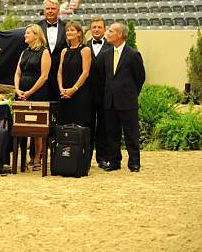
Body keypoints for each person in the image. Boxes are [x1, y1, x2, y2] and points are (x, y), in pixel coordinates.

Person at [101, 22, 146, 172]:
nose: (107, 32)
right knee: (112, 133)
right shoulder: (107, 54)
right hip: (110, 101)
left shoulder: (133, 54)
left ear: (120, 34)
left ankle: (134, 163)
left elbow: (140, 77)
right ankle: (114, 162)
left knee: (131, 133)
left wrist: (131, 94)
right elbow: (105, 77)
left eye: (111, 31)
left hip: (127, 101)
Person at [13, 24, 51, 171]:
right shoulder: (24, 52)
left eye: (28, 33)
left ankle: (37, 158)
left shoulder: (44, 52)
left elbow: (44, 76)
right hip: (21, 93)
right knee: (22, 126)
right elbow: (17, 73)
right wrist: (17, 89)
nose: (25, 35)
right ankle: (22, 159)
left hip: (38, 93)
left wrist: (29, 92)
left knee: (37, 128)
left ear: (36, 35)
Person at [87, 17, 113, 168]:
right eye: (94, 27)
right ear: (90, 29)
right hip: (87, 95)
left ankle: (102, 158)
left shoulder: (111, 47)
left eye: (99, 27)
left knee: (103, 127)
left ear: (104, 29)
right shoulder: (84, 47)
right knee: (88, 126)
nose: (96, 29)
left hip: (105, 94)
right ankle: (86, 157)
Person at [57, 22, 92, 127]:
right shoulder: (64, 51)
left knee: (78, 124)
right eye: (67, 30)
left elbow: (85, 72)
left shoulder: (85, 50)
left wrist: (74, 89)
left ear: (79, 33)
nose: (68, 32)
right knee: (64, 123)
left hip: (79, 92)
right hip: (64, 93)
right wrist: (61, 88)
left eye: (72, 30)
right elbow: (60, 70)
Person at [37, 0, 66, 101]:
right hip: (40, 72)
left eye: (53, 8)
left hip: (61, 72)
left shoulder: (66, 27)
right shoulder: (37, 27)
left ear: (58, 10)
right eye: (48, 8)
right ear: (44, 11)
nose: (50, 11)